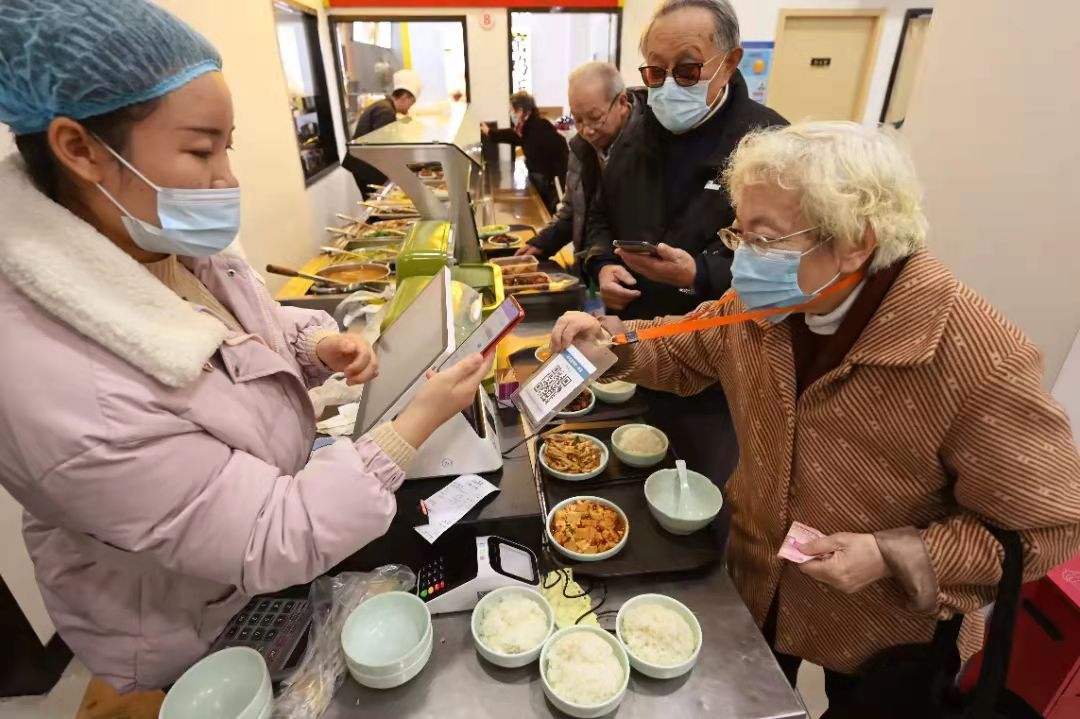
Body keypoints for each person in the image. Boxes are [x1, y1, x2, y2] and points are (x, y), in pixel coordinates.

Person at [0, 0, 489, 692]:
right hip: (190, 624)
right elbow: (271, 534)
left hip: (261, 555)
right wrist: (412, 425)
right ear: (79, 149)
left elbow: (239, 326)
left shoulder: (152, 238)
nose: (227, 177)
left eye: (227, 146)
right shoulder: (58, 383)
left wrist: (316, 342)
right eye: (202, 150)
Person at [551, 121, 1080, 715]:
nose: (742, 261)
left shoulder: (975, 356)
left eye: (764, 239)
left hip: (885, 627)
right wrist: (610, 344)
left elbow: (1048, 527)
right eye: (738, 234)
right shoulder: (764, 307)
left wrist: (894, 554)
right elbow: (684, 346)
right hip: (759, 580)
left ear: (855, 241)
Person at [585, 0, 787, 487]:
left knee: (700, 485)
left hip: (716, 366)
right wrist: (602, 265)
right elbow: (599, 215)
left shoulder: (769, 144)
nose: (669, 86)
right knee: (622, 479)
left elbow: (785, 267)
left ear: (729, 63)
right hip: (633, 342)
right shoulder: (636, 133)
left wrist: (699, 273)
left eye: (688, 69)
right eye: (656, 71)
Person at [517, 62, 643, 263]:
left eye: (595, 117)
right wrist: (541, 243)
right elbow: (573, 210)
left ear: (622, 103)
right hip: (593, 265)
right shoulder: (581, 147)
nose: (586, 130)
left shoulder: (648, 144)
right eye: (578, 120)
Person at [481, 91, 568, 214]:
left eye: (512, 110)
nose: (511, 114)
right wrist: (490, 133)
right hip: (544, 181)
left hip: (552, 185)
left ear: (520, 111)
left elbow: (557, 157)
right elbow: (513, 135)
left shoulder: (539, 127)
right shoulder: (527, 127)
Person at [342, 69, 421, 196]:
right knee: (378, 200)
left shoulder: (384, 106)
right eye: (411, 103)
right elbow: (384, 146)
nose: (409, 108)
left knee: (378, 198)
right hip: (366, 166)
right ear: (405, 97)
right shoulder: (385, 111)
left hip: (364, 163)